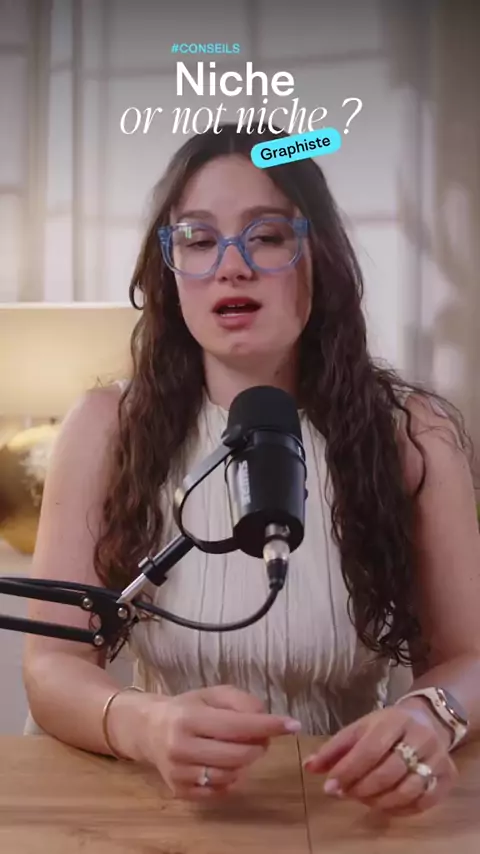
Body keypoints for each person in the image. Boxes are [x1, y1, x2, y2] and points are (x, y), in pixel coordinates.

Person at [23, 124, 480, 815]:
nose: (231, 266)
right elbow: (52, 665)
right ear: (170, 270)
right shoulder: (105, 427)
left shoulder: (414, 435)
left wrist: (428, 716)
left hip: (345, 810)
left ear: (319, 257)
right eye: (198, 239)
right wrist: (145, 726)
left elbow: (468, 659)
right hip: (160, 813)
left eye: (265, 236)